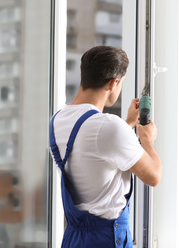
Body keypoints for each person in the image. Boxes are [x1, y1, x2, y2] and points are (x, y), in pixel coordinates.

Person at [49, 45, 162, 248]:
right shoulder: (109, 127)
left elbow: (93, 152)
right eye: (121, 84)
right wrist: (147, 140)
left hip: (74, 239)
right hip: (107, 240)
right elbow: (153, 176)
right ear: (113, 83)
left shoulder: (58, 120)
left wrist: (127, 124)